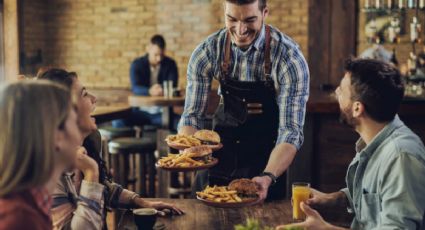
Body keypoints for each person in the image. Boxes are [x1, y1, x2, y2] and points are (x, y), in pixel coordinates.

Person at [178, 0, 309, 201]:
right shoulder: (207, 52)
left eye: (250, 20)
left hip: (265, 165)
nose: (240, 29)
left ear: (265, 13)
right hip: (216, 162)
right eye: (232, 19)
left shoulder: (288, 58)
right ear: (224, 11)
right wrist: (193, 152)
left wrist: (267, 176)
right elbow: (192, 116)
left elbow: (291, 132)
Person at [278, 58, 425, 230]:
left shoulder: (401, 157)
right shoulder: (374, 142)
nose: (337, 92)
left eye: (342, 89)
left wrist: (326, 229)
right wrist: (329, 199)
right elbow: (371, 197)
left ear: (357, 108)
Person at [37, 68, 183, 230]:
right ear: (64, 111)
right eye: (84, 94)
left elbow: (103, 188)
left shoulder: (89, 142)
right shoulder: (47, 170)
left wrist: (139, 202)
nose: (94, 98)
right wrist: (91, 173)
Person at [0, 81, 81, 230]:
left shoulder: (30, 206)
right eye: (76, 123)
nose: (79, 136)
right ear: (57, 135)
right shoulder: (18, 220)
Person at [113, 34, 179, 128]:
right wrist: (150, 91)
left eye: (161, 55)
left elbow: (172, 86)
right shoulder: (137, 64)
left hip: (163, 113)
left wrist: (162, 90)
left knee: (183, 124)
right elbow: (135, 88)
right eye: (156, 55)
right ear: (148, 49)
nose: (159, 59)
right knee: (117, 121)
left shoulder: (170, 64)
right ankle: (132, 142)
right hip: (140, 112)